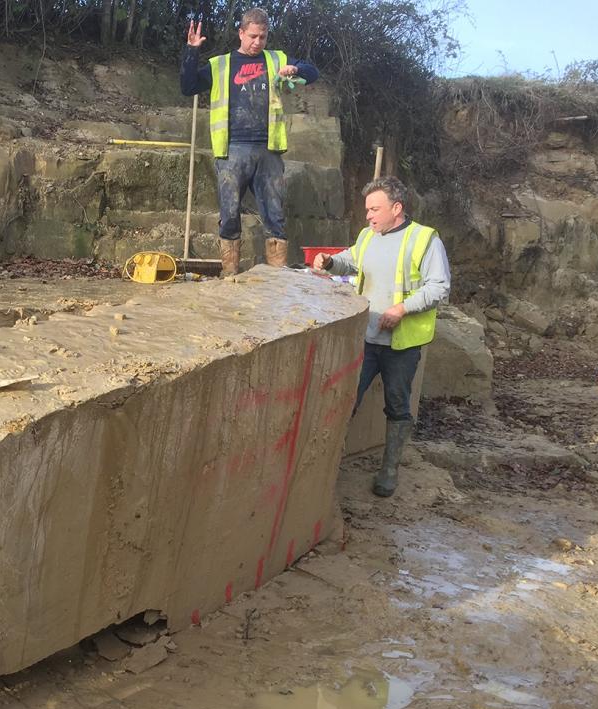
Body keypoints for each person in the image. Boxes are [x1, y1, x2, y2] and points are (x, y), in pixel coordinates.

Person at [311, 176, 451, 498]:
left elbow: (439, 287)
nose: (368, 216)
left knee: (398, 404)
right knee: (347, 399)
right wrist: (331, 261)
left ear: (396, 208)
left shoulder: (424, 240)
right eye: (367, 210)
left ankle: (389, 469)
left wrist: (402, 309)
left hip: (401, 344)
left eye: (374, 209)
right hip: (366, 338)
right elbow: (353, 258)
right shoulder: (368, 236)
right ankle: (327, 466)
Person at [180, 8, 318, 275]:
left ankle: (276, 276)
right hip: (232, 151)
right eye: (253, 36)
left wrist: (296, 68)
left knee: (275, 217)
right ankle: (230, 274)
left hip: (268, 151)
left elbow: (312, 73)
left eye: (263, 37)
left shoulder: (276, 59)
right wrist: (192, 51)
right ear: (241, 33)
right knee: (229, 216)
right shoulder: (221, 64)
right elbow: (187, 86)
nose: (257, 42)